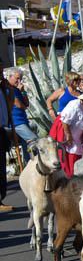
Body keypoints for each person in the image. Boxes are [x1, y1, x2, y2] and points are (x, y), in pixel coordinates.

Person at [8, 68, 36, 164]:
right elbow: (19, 105)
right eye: (17, 78)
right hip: (16, 122)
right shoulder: (8, 89)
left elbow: (26, 104)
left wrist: (23, 91)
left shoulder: (17, 89)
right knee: (34, 140)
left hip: (22, 120)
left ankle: (29, 164)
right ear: (10, 77)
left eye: (20, 78)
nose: (19, 81)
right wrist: (24, 106)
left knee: (27, 146)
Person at [0, 60, 13, 212]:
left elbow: (9, 108)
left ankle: (1, 197)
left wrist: (8, 90)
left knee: (2, 167)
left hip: (2, 130)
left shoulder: (2, 89)